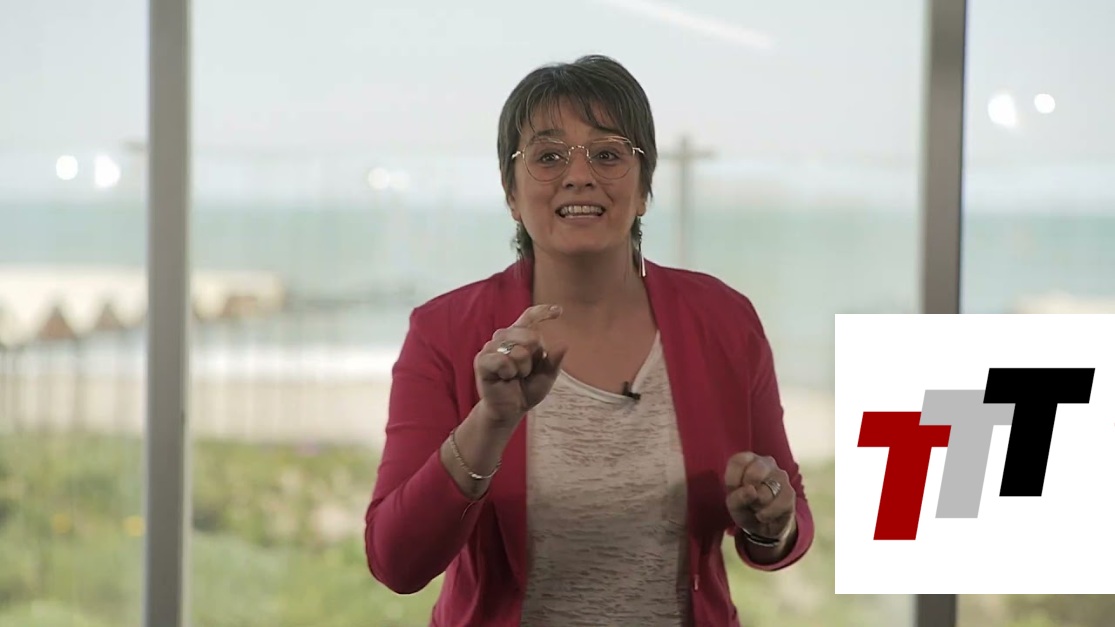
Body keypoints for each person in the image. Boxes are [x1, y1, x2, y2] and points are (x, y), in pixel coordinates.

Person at [364, 54, 814, 627]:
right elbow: (396, 562)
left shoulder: (724, 319)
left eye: (607, 154)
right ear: (510, 193)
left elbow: (788, 512)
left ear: (644, 187)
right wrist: (492, 422)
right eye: (549, 157)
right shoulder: (444, 331)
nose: (579, 175)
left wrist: (771, 524)